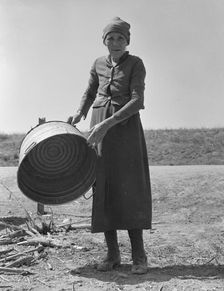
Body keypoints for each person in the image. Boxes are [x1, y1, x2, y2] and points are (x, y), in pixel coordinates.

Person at [68, 16, 152, 274]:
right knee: (103, 186)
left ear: (127, 41)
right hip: (97, 127)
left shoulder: (136, 64)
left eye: (120, 38)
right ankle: (112, 254)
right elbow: (90, 91)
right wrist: (80, 113)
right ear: (104, 41)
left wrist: (107, 124)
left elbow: (137, 101)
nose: (115, 43)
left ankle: (139, 256)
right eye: (110, 38)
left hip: (124, 130)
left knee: (130, 188)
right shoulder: (97, 64)